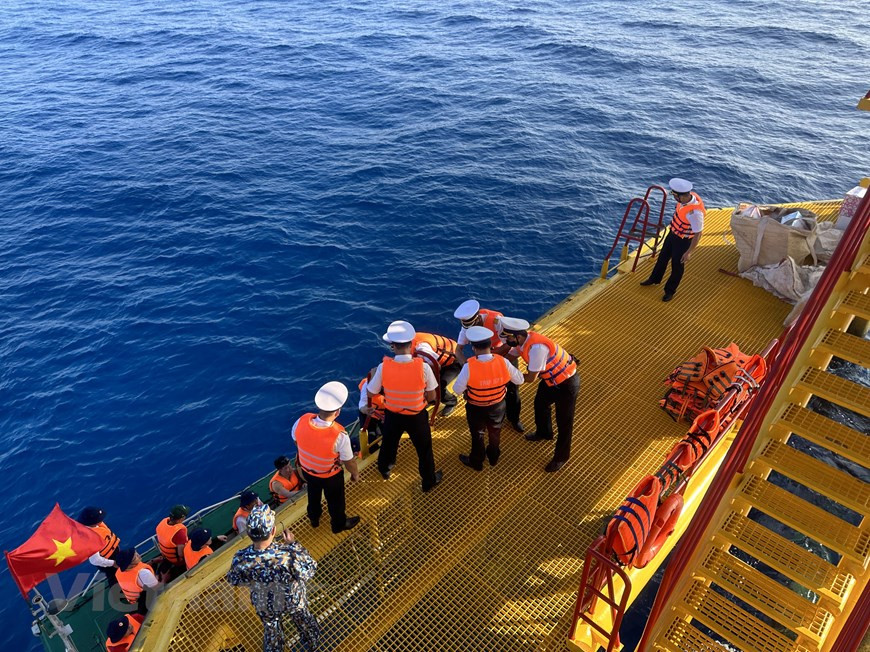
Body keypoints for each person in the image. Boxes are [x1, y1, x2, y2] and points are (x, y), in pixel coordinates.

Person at [226, 505, 320, 652]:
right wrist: (294, 545)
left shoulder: (240, 558)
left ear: (249, 533)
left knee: (271, 628)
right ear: (273, 531)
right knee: (304, 619)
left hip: (264, 601)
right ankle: (312, 644)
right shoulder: (288, 555)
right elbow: (309, 570)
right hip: (292, 599)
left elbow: (233, 579)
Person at [368, 320, 443, 491]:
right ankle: (428, 481)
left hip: (393, 416)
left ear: (393, 346)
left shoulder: (383, 367)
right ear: (411, 344)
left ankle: (385, 470)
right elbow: (432, 396)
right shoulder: (423, 367)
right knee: (424, 450)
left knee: (389, 444)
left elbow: (372, 393)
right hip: (417, 416)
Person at [500, 317, 580, 472]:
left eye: (508, 338)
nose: (506, 341)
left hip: (567, 383)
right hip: (550, 381)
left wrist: (508, 376)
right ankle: (544, 433)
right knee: (540, 405)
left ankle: (561, 458)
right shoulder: (521, 342)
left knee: (564, 421)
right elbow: (510, 357)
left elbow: (530, 378)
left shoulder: (537, 349)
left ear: (518, 336)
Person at [292, 381, 361, 534]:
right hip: (331, 476)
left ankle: (314, 519)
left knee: (313, 496)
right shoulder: (339, 435)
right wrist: (355, 474)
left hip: (308, 472)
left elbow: (296, 440)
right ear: (338, 412)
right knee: (336, 502)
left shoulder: (301, 421)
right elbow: (349, 461)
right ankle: (338, 525)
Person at [452, 326, 524, 470]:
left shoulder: (469, 366)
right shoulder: (503, 362)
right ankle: (493, 456)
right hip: (497, 406)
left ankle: (477, 462)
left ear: (474, 348)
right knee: (495, 431)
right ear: (490, 346)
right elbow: (520, 380)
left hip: (476, 408)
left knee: (477, 434)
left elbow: (457, 390)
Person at [453, 299, 524, 432]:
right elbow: (458, 350)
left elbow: (509, 343)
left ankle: (514, 419)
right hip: (485, 356)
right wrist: (466, 365)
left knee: (513, 389)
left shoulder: (497, 321)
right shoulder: (467, 326)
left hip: (504, 355)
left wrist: (495, 356)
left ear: (479, 318)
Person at [640, 178, 706, 301]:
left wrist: (689, 252)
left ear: (681, 196)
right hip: (673, 234)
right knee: (662, 257)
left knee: (677, 266)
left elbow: (698, 234)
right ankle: (654, 279)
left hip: (683, 241)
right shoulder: (685, 200)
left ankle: (670, 291)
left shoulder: (695, 214)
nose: (673, 197)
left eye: (674, 195)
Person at [412, 330, 465, 417]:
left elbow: (436, 366)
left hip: (452, 363)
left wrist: (431, 382)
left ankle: (451, 402)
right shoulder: (412, 344)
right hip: (438, 362)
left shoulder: (421, 348)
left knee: (439, 386)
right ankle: (432, 399)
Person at [77, 506, 120, 586]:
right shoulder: (89, 538)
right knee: (114, 578)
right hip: (109, 562)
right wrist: (113, 563)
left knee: (122, 573)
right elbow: (95, 560)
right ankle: (119, 596)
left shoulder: (96, 526)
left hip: (114, 555)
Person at [114, 548, 166, 615]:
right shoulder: (144, 573)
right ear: (130, 563)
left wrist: (152, 561)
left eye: (136, 553)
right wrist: (164, 579)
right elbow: (157, 588)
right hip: (145, 602)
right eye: (135, 556)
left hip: (134, 601)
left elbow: (135, 571)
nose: (138, 555)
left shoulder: (119, 572)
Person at [155, 505, 189, 580]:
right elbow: (181, 553)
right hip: (179, 561)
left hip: (167, 555)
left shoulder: (162, 523)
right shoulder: (179, 532)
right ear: (181, 518)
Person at [358, 368, 385, 450]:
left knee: (390, 434)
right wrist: (366, 410)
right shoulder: (366, 387)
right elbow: (362, 404)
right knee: (370, 439)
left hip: (386, 414)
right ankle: (374, 450)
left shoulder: (392, 385)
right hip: (370, 414)